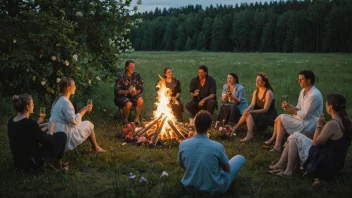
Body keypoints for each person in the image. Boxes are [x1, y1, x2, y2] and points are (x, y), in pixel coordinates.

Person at [268, 93, 351, 184]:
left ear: (330, 107)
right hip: (336, 164)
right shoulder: (347, 121)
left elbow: (315, 143)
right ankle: (284, 167)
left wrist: (318, 125)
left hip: (323, 163)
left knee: (295, 136)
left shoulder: (332, 124)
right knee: (294, 137)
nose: (325, 106)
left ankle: (287, 171)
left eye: (326, 104)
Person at [178, 110, 246, 195]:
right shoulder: (217, 147)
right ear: (210, 126)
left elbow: (182, 165)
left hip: (189, 187)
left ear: (194, 125)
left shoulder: (183, 144)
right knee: (240, 158)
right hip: (214, 189)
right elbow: (227, 169)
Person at [264, 70, 323, 152]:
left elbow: (305, 115)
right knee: (279, 118)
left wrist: (291, 111)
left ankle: (277, 146)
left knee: (281, 118)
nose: (299, 81)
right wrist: (289, 106)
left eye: (301, 79)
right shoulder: (303, 91)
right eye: (299, 79)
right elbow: (299, 107)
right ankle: (274, 140)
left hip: (309, 123)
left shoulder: (314, 95)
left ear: (308, 80)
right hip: (302, 119)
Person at [8, 94, 67, 171]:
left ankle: (58, 164)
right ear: (27, 107)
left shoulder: (11, 121)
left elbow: (29, 134)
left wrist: (45, 126)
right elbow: (47, 141)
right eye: (32, 103)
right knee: (61, 135)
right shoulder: (30, 124)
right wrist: (51, 130)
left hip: (18, 163)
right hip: (32, 164)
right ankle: (58, 165)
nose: (33, 105)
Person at [50, 77, 105, 152]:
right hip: (64, 134)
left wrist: (82, 110)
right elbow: (74, 122)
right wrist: (84, 110)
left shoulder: (58, 99)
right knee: (88, 124)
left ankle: (95, 147)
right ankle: (96, 148)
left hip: (54, 130)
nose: (75, 87)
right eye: (74, 85)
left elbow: (68, 118)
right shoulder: (66, 103)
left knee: (84, 123)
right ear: (68, 88)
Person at [232, 72, 278, 143]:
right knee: (247, 112)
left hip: (268, 115)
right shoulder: (256, 92)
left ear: (264, 82)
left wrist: (251, 112)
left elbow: (265, 109)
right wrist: (248, 109)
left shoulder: (268, 93)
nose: (256, 81)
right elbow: (252, 104)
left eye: (259, 80)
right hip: (259, 113)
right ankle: (236, 128)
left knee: (249, 114)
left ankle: (249, 134)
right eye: (256, 80)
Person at [114, 60, 144, 125]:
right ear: (126, 67)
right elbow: (117, 91)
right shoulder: (121, 76)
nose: (133, 68)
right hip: (121, 97)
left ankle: (136, 119)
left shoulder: (136, 75)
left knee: (140, 100)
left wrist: (136, 92)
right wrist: (127, 91)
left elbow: (141, 87)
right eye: (131, 67)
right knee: (129, 103)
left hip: (133, 95)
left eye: (134, 67)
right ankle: (125, 120)